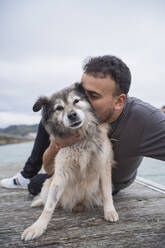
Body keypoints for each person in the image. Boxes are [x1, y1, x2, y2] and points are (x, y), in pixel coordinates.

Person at [1, 55, 165, 196]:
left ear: (119, 101)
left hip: (109, 182)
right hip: (78, 171)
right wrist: (57, 145)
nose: (82, 102)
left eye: (93, 96)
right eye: (81, 92)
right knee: (53, 114)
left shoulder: (145, 120)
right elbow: (51, 169)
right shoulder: (80, 105)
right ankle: (26, 174)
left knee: (36, 185)